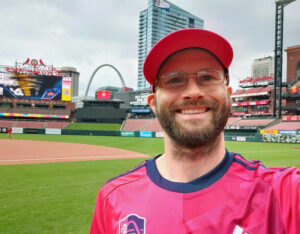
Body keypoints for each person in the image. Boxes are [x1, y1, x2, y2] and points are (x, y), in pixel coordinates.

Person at [90, 29, 300, 234]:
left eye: (207, 77)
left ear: (228, 96)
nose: (193, 92)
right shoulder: (113, 198)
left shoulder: (283, 193)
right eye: (173, 80)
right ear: (153, 104)